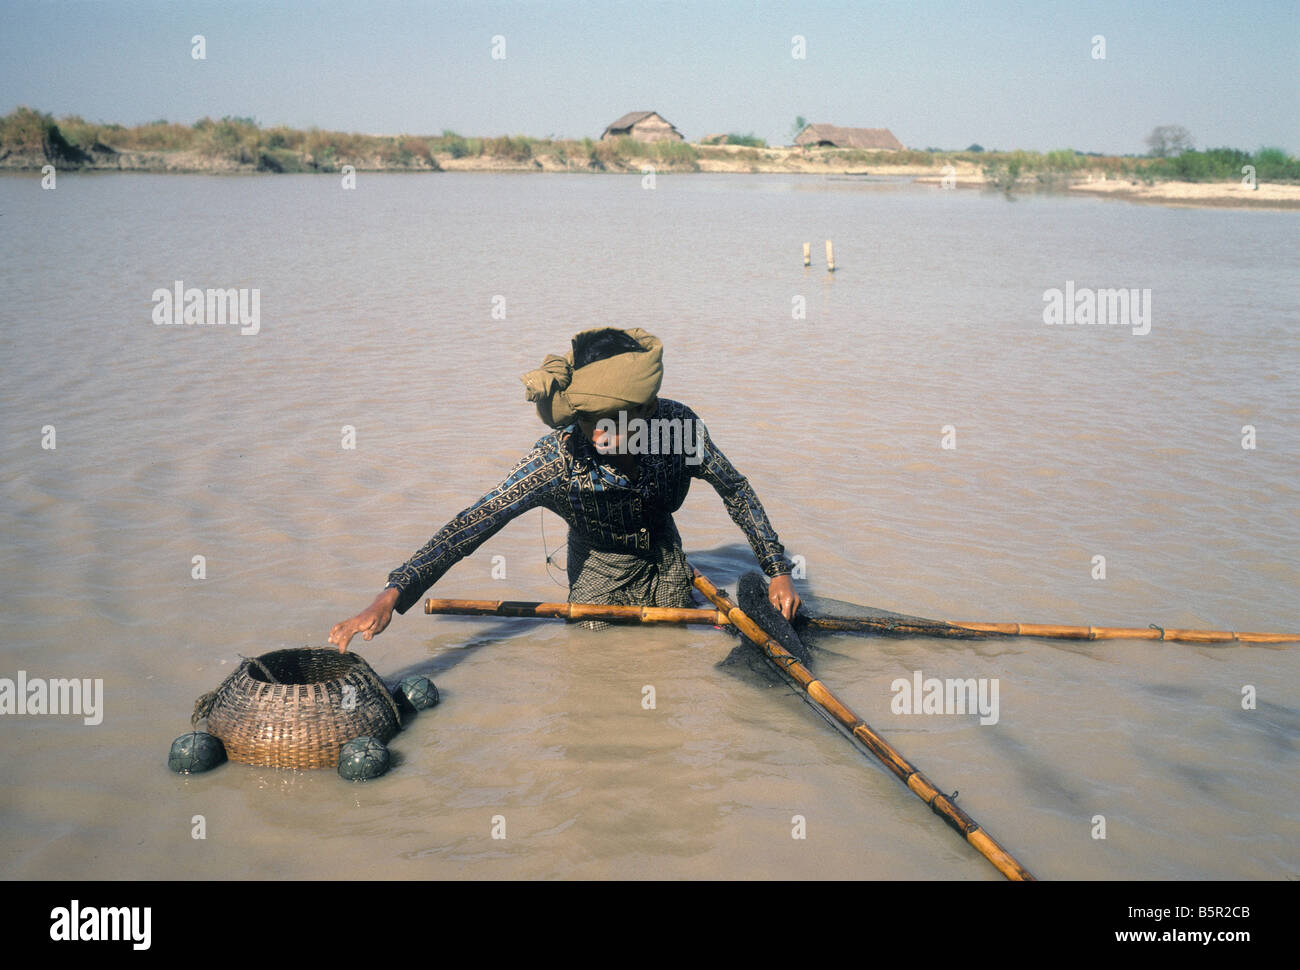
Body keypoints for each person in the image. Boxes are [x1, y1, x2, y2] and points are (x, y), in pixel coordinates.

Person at [329, 326, 800, 651]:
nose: (596, 436)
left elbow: (735, 490)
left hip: (667, 561)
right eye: (586, 423)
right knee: (596, 663)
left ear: (646, 410)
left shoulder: (676, 427)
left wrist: (777, 570)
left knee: (673, 653)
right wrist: (392, 594)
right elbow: (472, 524)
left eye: (609, 424)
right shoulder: (558, 460)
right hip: (599, 573)